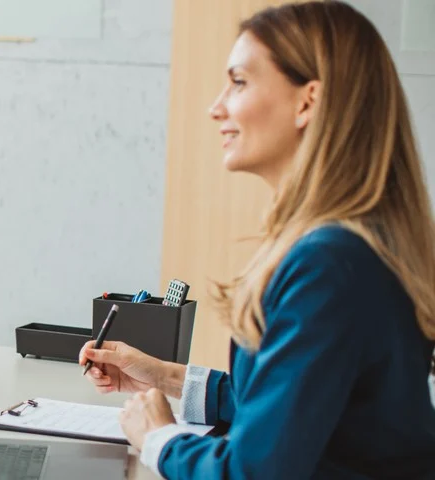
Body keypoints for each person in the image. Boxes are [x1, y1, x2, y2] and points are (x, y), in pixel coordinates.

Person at [78, 2, 435, 478]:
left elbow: (256, 470)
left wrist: (160, 440)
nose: (216, 106)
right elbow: (287, 403)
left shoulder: (329, 264)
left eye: (239, 82)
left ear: (307, 102)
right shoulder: (357, 245)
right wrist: (162, 376)